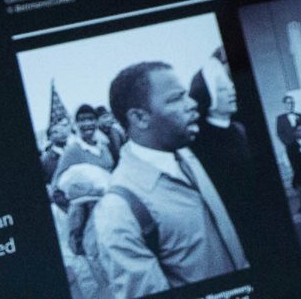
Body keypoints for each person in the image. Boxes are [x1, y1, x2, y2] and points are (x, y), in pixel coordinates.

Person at [87, 61, 247, 294]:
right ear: (140, 118)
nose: (192, 104)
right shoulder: (118, 211)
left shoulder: (185, 154)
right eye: (176, 99)